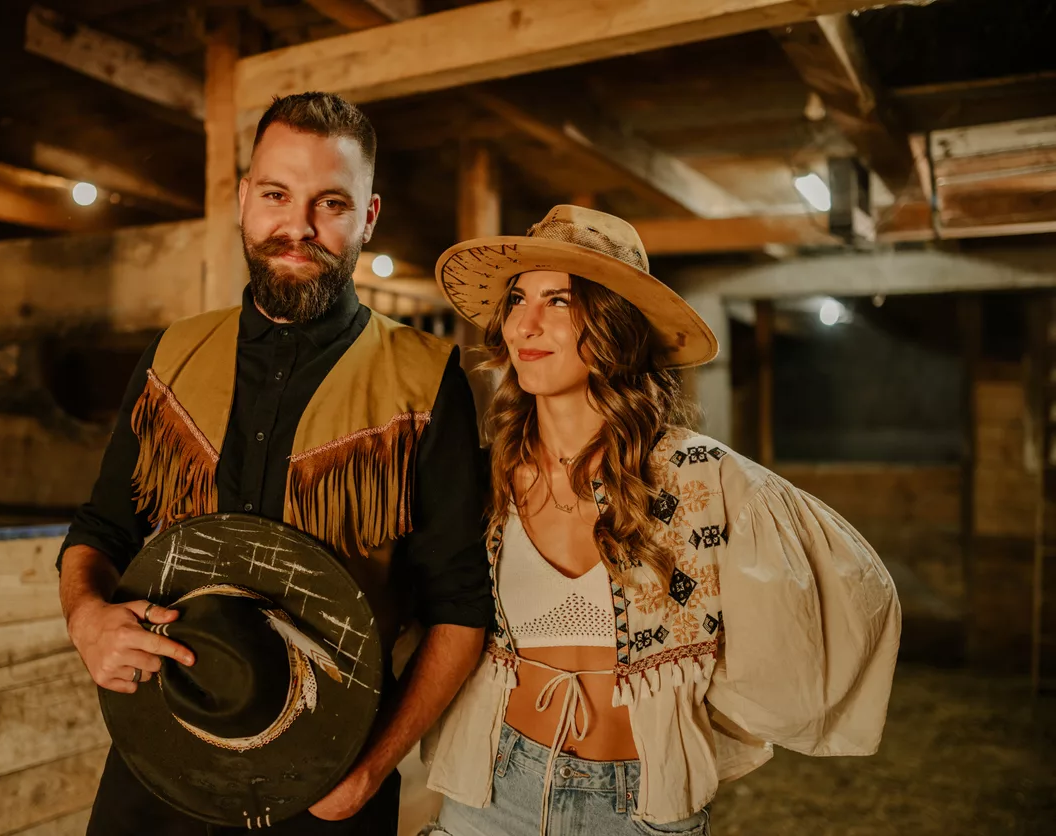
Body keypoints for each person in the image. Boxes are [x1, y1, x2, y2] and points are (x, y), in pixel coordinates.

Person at [56, 92, 491, 836]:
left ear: (369, 217)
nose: (297, 227)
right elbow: (102, 527)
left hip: (328, 783)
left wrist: (371, 769)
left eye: (331, 203)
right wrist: (87, 619)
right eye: (276, 195)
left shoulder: (428, 380)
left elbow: (459, 607)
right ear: (242, 199)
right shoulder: (172, 355)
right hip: (162, 753)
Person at [420, 205, 902, 836]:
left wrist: (730, 699)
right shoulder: (487, 476)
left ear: (613, 325)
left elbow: (856, 589)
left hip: (638, 802)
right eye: (517, 299)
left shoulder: (701, 478)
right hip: (494, 789)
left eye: (559, 301)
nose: (525, 324)